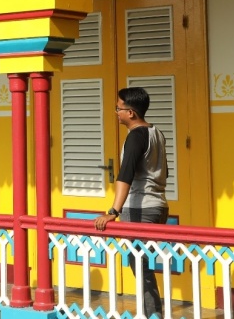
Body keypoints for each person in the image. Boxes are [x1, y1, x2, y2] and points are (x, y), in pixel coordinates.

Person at [94, 87, 169, 317]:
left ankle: (151, 314)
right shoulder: (156, 132)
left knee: (140, 264)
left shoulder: (136, 136)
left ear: (131, 113)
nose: (116, 112)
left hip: (140, 207)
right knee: (144, 264)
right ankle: (153, 311)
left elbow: (125, 174)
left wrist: (113, 211)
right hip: (159, 204)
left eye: (119, 108)